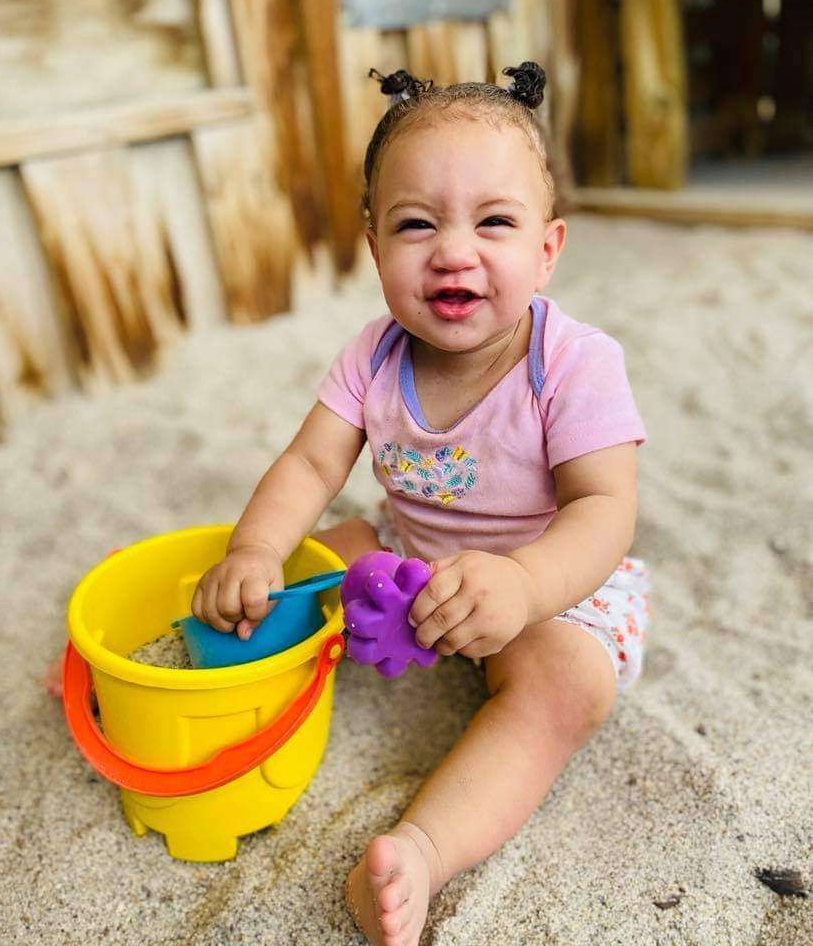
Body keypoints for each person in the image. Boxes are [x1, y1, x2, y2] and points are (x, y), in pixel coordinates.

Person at [193, 61, 650, 946]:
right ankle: (250, 669)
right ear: (373, 247)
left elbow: (604, 508)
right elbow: (308, 463)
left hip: (551, 577)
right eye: (415, 224)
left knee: (564, 689)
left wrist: (524, 587)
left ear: (546, 248)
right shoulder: (372, 356)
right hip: (412, 547)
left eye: (494, 223)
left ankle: (424, 851)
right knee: (314, 553)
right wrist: (255, 551)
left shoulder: (577, 363)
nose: (453, 250)